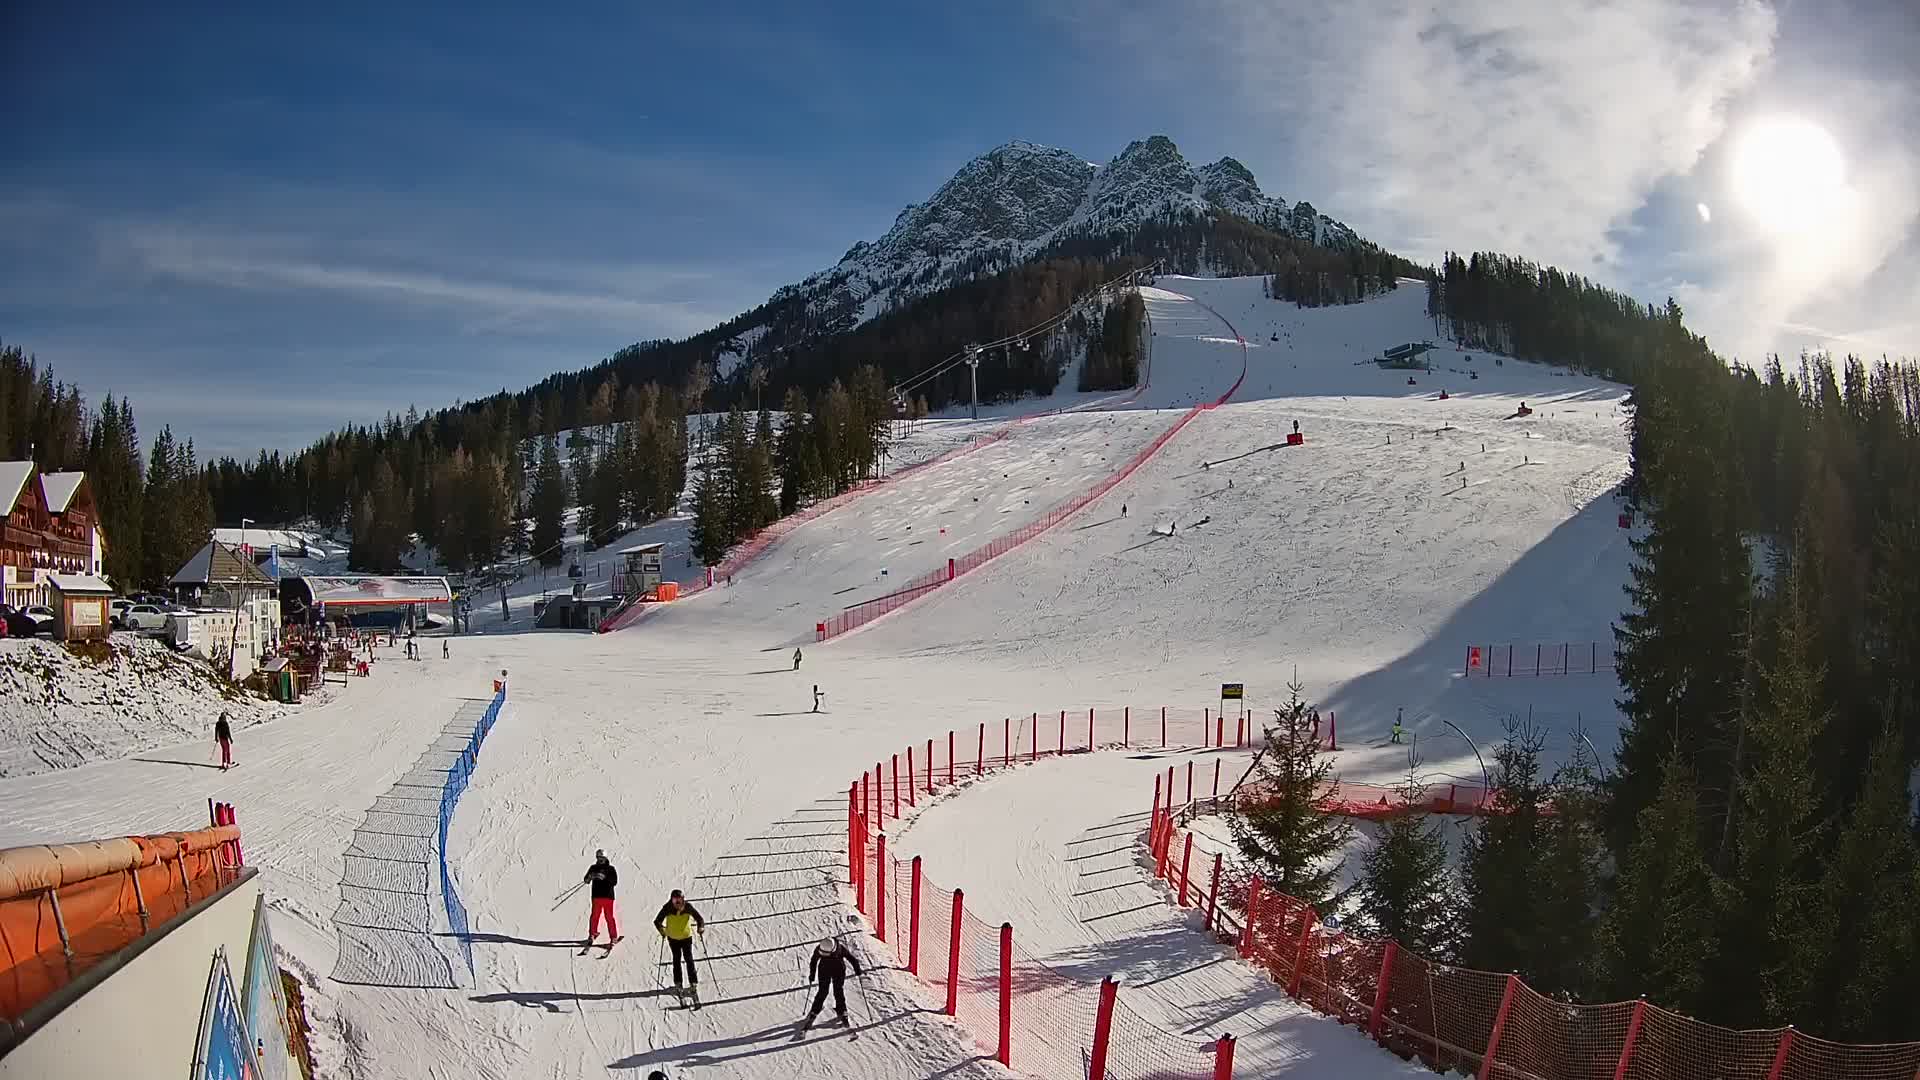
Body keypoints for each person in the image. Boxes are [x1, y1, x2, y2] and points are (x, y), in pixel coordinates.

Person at [654, 890, 706, 999]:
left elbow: (699, 919)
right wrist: (662, 931)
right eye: (675, 900)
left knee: (689, 959)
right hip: (673, 939)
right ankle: (678, 983)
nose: (677, 903)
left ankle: (693, 983)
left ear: (683, 899)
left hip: (686, 938)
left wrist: (700, 927)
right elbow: (657, 921)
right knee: (676, 960)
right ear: (671, 900)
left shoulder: (688, 907)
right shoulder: (667, 908)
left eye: (679, 900)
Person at [804, 936, 864, 1027]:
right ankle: (815, 1009)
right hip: (824, 969)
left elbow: (852, 959)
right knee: (823, 990)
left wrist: (857, 970)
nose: (824, 954)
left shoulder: (840, 949)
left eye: (826, 954)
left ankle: (842, 1009)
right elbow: (814, 961)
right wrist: (812, 974)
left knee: (838, 990)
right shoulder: (820, 947)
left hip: (838, 970)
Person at [583, 851, 619, 948]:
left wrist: (604, 877)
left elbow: (614, 881)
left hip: (608, 897)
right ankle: (592, 934)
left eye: (601, 858)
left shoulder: (611, 869)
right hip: (596, 896)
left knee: (609, 917)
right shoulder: (593, 868)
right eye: (598, 858)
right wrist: (590, 877)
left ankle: (613, 936)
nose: (600, 860)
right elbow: (586, 880)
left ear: (605, 858)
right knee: (595, 916)